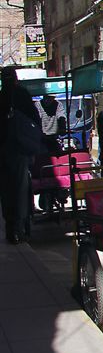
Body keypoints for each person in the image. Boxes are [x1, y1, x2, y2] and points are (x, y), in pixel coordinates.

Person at [0, 66, 43, 244]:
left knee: (7, 191)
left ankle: (11, 227)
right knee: (20, 190)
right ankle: (19, 227)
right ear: (16, 79)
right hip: (19, 152)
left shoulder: (1, 97)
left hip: (3, 152)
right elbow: (35, 120)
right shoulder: (22, 95)